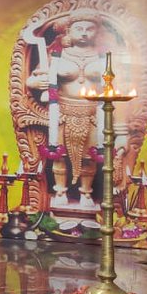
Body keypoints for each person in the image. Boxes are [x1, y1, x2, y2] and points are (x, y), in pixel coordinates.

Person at [23, 11, 107, 208]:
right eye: (79, 28)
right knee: (58, 153)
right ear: (69, 30)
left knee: (90, 155)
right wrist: (39, 82)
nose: (84, 33)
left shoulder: (103, 57)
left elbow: (118, 83)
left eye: (89, 28)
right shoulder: (56, 54)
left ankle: (86, 193)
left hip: (93, 112)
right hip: (61, 111)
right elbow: (31, 80)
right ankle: (60, 191)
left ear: (97, 32)